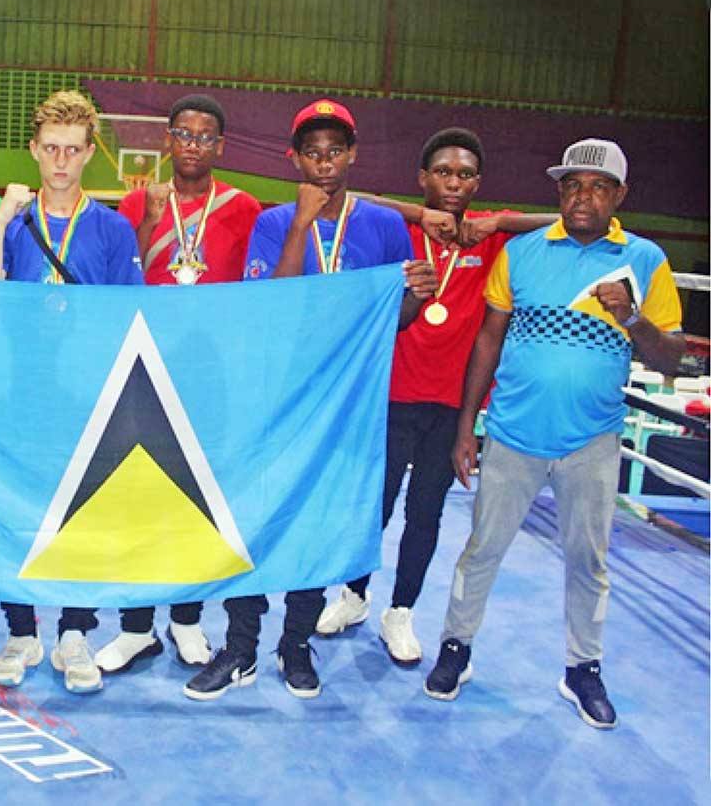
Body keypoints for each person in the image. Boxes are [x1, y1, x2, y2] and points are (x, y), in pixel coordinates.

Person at [423, 139, 684, 730]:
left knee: (588, 559)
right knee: (481, 550)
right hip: (514, 432)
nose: (582, 196)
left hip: (591, 439)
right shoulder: (521, 252)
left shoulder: (645, 261)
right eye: (571, 185)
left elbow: (670, 358)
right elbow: (488, 339)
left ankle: (582, 667)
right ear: (559, 192)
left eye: (596, 186)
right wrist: (468, 425)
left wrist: (632, 317)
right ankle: (456, 647)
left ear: (619, 196)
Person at [185, 99, 437, 701]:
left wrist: (414, 295)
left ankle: (295, 643)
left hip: (344, 404)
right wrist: (301, 223)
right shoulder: (274, 222)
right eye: (312, 152)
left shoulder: (381, 225)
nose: (324, 163)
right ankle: (241, 646)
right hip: (275, 398)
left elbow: (393, 322)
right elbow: (274, 305)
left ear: (351, 155)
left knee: (318, 524)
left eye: (335, 151)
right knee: (255, 518)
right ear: (294, 158)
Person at [313, 129, 555, 664]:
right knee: (372, 507)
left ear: (478, 184)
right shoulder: (397, 226)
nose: (453, 182)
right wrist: (419, 215)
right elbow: (350, 198)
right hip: (387, 397)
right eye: (442, 172)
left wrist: (498, 222)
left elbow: (561, 223)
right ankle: (353, 595)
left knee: (425, 514)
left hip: (448, 406)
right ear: (423, 178)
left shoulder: (490, 240)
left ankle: (400, 611)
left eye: (465, 174)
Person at [0, 90, 143, 694]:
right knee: (16, 511)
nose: (62, 162)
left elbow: (131, 315)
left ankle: (74, 631)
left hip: (89, 397)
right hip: (20, 395)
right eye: (51, 149)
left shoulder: (114, 229)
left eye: (73, 150)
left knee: (83, 516)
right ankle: (21, 631)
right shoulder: (15, 223)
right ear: (34, 150)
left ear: (90, 153)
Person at [96, 93, 261, 674]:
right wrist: (144, 222)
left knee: (196, 499)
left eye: (204, 137)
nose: (192, 146)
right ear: (167, 141)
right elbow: (121, 277)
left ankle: (187, 618)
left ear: (219, 146)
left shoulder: (243, 208)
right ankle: (137, 626)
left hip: (208, 372)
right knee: (138, 496)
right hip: (142, 367)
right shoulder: (137, 200)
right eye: (183, 135)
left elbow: (255, 292)